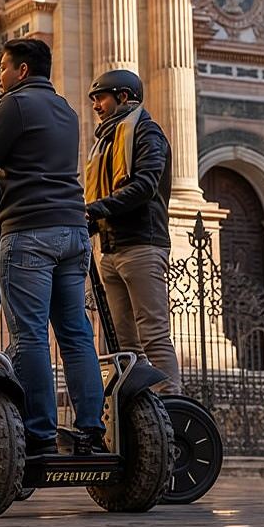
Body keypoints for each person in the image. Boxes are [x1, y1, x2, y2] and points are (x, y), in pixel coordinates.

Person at [0, 38, 105, 457]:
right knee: (76, 334)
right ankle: (91, 429)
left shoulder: (15, 105)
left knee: (31, 334)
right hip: (73, 232)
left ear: (21, 70)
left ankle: (39, 433)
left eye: (1, 68)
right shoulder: (68, 111)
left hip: (30, 232)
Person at [84, 69, 182, 394]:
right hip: (110, 248)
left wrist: (93, 210)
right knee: (122, 341)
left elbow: (144, 186)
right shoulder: (106, 142)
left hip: (142, 244)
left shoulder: (146, 133)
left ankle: (170, 405)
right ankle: (140, 411)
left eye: (101, 97)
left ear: (123, 97)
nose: (96, 105)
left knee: (152, 334)